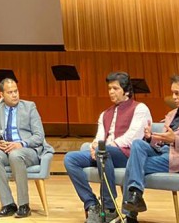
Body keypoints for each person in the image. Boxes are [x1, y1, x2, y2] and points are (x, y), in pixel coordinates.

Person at [121, 75, 179, 223]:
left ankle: (130, 215)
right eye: (173, 93)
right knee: (138, 144)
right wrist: (151, 137)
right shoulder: (172, 114)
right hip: (162, 151)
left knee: (133, 165)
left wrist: (175, 139)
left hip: (178, 157)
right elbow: (163, 139)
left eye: (177, 93)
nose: (173, 97)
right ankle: (135, 197)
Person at [63, 71, 152, 223]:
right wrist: (94, 146)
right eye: (109, 88)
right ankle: (91, 204)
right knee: (70, 159)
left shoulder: (140, 108)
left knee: (103, 151)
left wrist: (103, 148)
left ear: (126, 91)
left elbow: (132, 137)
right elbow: (100, 136)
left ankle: (109, 207)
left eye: (115, 88)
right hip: (103, 154)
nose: (111, 91)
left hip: (126, 155)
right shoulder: (105, 113)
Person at [0, 78, 54, 219]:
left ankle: (24, 205)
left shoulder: (29, 107)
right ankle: (8, 204)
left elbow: (39, 136)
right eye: (10, 92)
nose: (14, 95)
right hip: (6, 150)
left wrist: (21, 144)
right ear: (2, 95)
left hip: (28, 150)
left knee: (15, 155)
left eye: (16, 91)